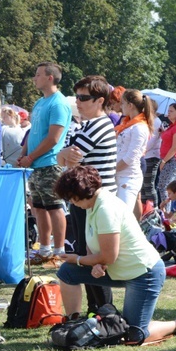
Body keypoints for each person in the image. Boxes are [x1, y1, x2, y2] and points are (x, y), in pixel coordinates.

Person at [55, 166, 176, 345]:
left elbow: (109, 257)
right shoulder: (92, 205)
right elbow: (93, 243)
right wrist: (94, 264)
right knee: (67, 271)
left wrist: (79, 259)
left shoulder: (105, 208)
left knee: (134, 336)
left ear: (80, 193)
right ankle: (73, 323)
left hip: (144, 274)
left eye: (71, 198)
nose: (71, 202)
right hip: (121, 270)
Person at [57, 75, 118, 313]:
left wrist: (65, 156)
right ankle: (98, 309)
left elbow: (71, 158)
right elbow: (63, 158)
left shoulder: (99, 125)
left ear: (100, 101)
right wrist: (64, 155)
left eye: (84, 98)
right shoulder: (87, 125)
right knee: (86, 253)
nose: (79, 102)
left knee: (95, 257)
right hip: (85, 200)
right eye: (78, 97)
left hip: (97, 202)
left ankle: (105, 311)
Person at [18, 62, 72, 259]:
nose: (34, 78)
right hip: (35, 164)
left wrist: (31, 156)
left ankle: (59, 251)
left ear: (50, 77)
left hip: (50, 164)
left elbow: (53, 138)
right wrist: (24, 153)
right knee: (39, 207)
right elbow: (32, 132)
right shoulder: (40, 102)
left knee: (55, 206)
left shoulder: (58, 103)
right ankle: (44, 249)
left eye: (38, 74)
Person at [114, 90, 154, 212]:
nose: (121, 106)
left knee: (122, 216)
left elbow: (131, 158)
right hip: (120, 175)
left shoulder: (139, 127)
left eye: (123, 103)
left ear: (130, 105)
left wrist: (111, 169)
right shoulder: (128, 124)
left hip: (128, 177)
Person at [157, 104, 176, 207]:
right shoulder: (171, 126)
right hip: (168, 159)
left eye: (171, 111)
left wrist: (163, 162)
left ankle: (167, 212)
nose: (168, 113)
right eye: (168, 111)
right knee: (169, 186)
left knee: (164, 187)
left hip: (172, 160)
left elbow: (175, 148)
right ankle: (170, 210)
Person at [141, 99, 162, 209]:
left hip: (152, 156)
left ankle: (154, 210)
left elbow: (152, 140)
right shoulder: (149, 120)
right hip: (146, 155)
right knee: (144, 185)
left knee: (149, 185)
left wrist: (142, 149)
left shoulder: (156, 121)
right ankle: (145, 209)